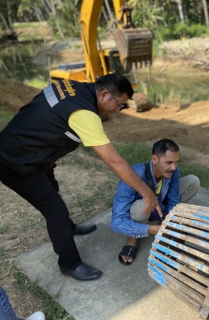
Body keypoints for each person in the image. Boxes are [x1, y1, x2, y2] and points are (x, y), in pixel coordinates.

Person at [0, 73, 160, 281]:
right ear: (104, 94)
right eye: (119, 104)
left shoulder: (70, 86)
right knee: (54, 210)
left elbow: (40, 111)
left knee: (51, 186)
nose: (118, 110)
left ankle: (67, 228)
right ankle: (70, 263)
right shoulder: (85, 113)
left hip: (24, 148)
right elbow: (114, 161)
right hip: (14, 162)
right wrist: (147, 192)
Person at [111, 138, 200, 264]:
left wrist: (169, 220)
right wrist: (152, 230)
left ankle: (163, 221)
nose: (174, 167)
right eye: (169, 162)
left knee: (193, 181)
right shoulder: (133, 175)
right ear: (154, 159)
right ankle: (132, 238)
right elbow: (117, 222)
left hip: (160, 204)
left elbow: (173, 198)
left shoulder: (172, 170)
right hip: (140, 210)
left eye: (176, 162)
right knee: (141, 207)